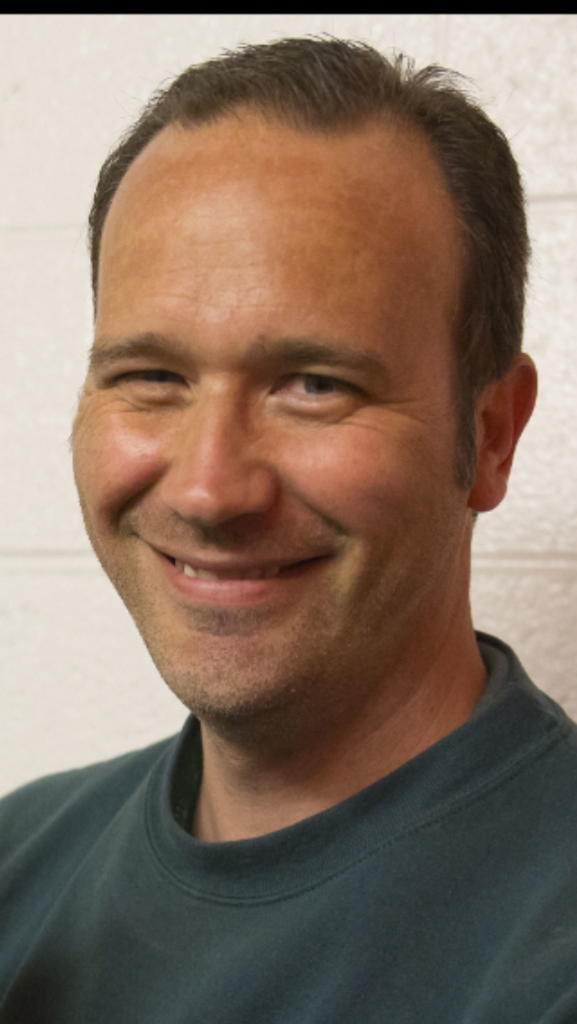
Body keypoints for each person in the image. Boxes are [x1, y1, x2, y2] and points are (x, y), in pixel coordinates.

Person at [0, 36, 575, 1023]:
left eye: (314, 385)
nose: (209, 490)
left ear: (490, 434)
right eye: (152, 377)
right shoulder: (20, 861)